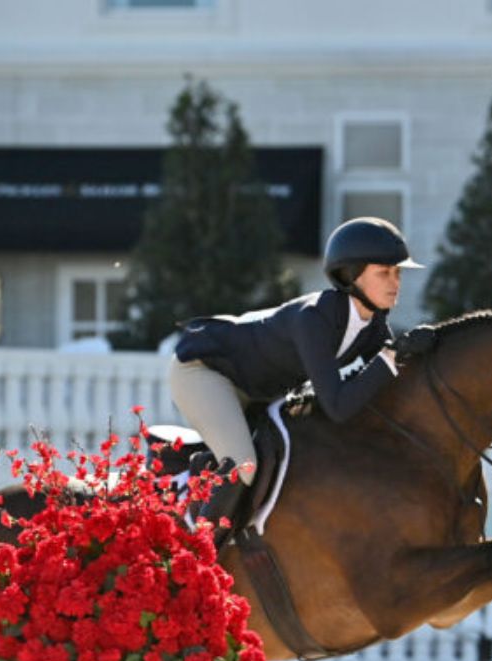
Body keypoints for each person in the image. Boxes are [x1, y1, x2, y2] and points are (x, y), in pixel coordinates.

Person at [168, 216, 423, 529]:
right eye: (384, 272)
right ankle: (196, 552)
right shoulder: (313, 317)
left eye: (397, 272)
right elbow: (339, 406)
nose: (395, 282)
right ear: (350, 275)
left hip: (257, 389)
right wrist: (391, 356)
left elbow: (387, 383)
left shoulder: (373, 327)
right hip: (205, 373)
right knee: (243, 465)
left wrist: (423, 353)